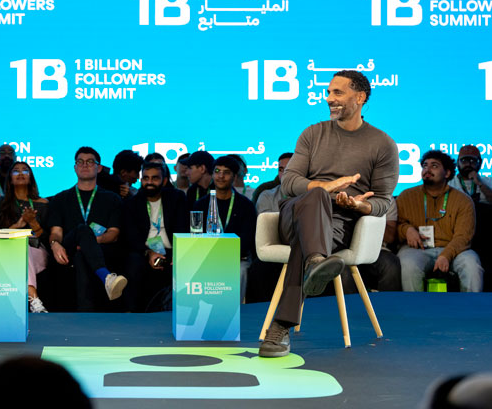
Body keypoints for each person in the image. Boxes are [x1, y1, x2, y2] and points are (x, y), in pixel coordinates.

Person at [258, 70, 399, 358]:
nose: (329, 99)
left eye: (338, 92)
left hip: (339, 226)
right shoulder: (313, 133)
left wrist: (361, 206)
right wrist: (324, 187)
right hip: (296, 213)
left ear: (360, 97)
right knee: (317, 197)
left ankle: (284, 321)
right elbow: (288, 182)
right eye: (328, 92)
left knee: (306, 243)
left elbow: (383, 201)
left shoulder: (382, 144)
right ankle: (315, 263)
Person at [47, 147, 126, 311]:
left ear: (99, 168)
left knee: (82, 254)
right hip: (67, 248)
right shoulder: (60, 198)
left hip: (99, 249)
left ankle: (85, 315)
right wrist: (55, 244)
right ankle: (106, 277)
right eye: (80, 162)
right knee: (82, 230)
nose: (84, 165)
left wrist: (88, 242)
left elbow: (113, 234)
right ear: (75, 167)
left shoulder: (112, 198)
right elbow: (56, 232)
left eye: (90, 162)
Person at [396, 150, 483, 292]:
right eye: (425, 166)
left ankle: (472, 306)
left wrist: (446, 255)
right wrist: (406, 230)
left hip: (454, 249)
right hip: (417, 249)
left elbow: (463, 237)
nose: (427, 170)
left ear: (447, 173)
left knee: (472, 265)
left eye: (434, 166)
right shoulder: (406, 196)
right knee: (408, 264)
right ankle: (414, 305)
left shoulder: (463, 201)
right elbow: (395, 225)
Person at [121, 162, 188, 311]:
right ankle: (132, 313)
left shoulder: (176, 198)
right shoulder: (132, 204)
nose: (149, 182)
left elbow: (182, 228)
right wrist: (149, 253)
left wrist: (178, 253)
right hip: (144, 251)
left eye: (155, 178)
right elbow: (132, 237)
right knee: (133, 262)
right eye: (146, 178)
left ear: (164, 181)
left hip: (172, 250)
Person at [193, 156, 258, 301]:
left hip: (236, 258)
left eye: (226, 172)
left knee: (240, 271)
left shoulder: (246, 206)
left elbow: (247, 239)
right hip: (206, 257)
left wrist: (224, 255)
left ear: (234, 176)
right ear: (212, 174)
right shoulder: (200, 205)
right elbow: (195, 235)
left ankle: (235, 311)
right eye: (217, 171)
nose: (221, 176)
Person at [0, 161, 50, 313]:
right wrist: (18, 225)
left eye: (25, 170)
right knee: (20, 248)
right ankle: (34, 300)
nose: (21, 173)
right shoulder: (1, 203)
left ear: (31, 177)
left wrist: (33, 223)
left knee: (23, 249)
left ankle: (33, 300)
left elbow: (48, 238)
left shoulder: (44, 203)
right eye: (16, 171)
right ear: (10, 179)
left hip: (37, 251)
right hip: (6, 251)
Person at [448, 145, 492, 290]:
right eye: (464, 160)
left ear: (480, 163)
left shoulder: (487, 181)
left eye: (473, 161)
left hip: (485, 235)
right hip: (458, 232)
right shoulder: (449, 184)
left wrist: (479, 183)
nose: (468, 164)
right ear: (457, 163)